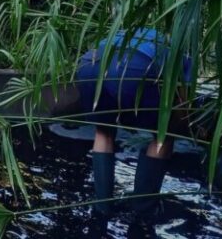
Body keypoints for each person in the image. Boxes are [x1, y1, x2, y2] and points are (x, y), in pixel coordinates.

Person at [75, 28, 193, 218]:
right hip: (136, 65)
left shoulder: (136, 30)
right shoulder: (183, 47)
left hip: (91, 62)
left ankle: (102, 207)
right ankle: (144, 209)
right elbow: (182, 103)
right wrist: (180, 126)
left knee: (103, 132)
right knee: (163, 135)